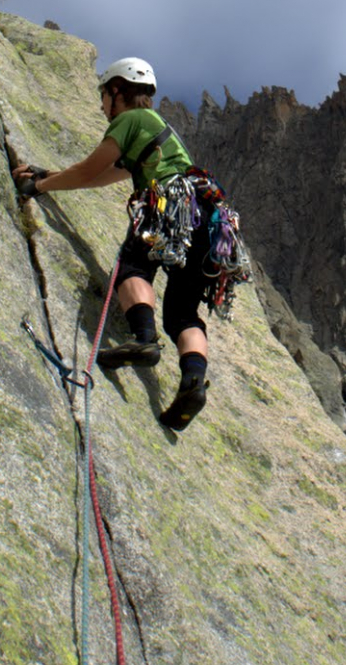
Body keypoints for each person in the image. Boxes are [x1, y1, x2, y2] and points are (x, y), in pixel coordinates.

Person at [12, 57, 216, 430]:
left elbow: (90, 169)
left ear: (117, 90)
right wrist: (51, 176)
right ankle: (193, 382)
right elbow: (100, 177)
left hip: (169, 204)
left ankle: (143, 339)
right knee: (183, 313)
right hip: (206, 218)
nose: (102, 105)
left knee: (133, 266)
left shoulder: (129, 121)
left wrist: (37, 187)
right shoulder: (158, 131)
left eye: (104, 95)